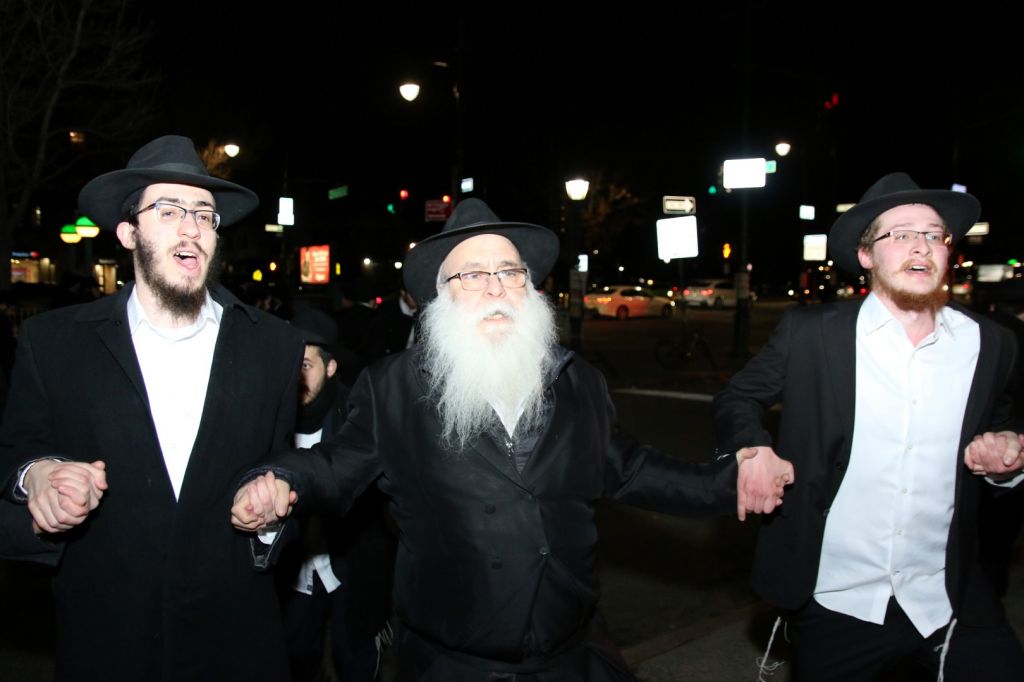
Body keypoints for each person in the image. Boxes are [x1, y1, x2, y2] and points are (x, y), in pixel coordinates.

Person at [233, 198, 792, 681]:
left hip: (570, 653)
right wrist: (281, 479)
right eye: (473, 276)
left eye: (510, 272)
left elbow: (633, 469)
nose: (496, 288)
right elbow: (336, 464)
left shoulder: (577, 380)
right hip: (454, 663)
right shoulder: (393, 388)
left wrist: (732, 482)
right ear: (440, 297)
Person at [0, 135, 305, 681]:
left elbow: (284, 472)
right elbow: (16, 450)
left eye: (204, 215)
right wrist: (38, 475)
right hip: (106, 641)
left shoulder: (275, 347)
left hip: (234, 643)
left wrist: (272, 514)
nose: (192, 228)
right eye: (168, 211)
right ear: (128, 233)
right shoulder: (54, 342)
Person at [714, 172, 1024, 680]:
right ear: (866, 255)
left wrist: (1008, 456)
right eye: (900, 234)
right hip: (840, 600)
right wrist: (752, 448)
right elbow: (737, 396)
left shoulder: (992, 343)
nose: (920, 245)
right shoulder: (812, 334)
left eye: (934, 234)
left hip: (949, 594)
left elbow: (1003, 428)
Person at [279, 302, 396, 681]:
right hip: (296, 566)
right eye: (290, 364)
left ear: (330, 368)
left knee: (355, 656)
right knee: (298, 656)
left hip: (351, 560)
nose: (296, 375)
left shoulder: (358, 416)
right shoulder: (273, 414)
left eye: (306, 365)